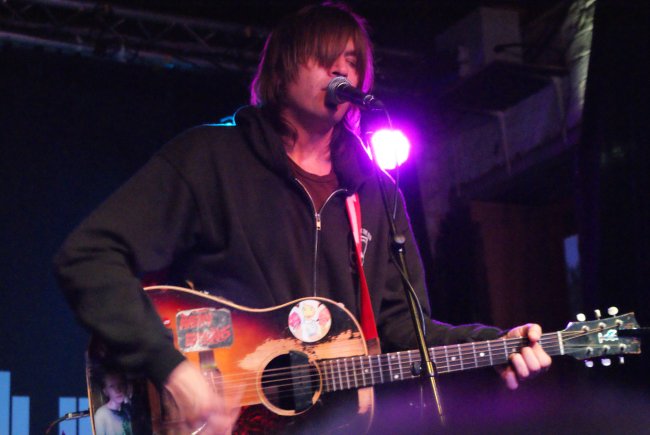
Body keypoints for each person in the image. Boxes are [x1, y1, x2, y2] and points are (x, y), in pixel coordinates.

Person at [54, 2, 551, 433]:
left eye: (352, 62)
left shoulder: (376, 192)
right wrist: (171, 369)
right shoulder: (209, 158)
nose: (342, 71)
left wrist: (493, 345)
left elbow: (404, 328)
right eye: (324, 56)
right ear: (281, 68)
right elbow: (89, 257)